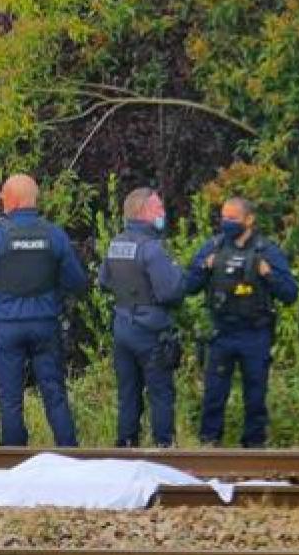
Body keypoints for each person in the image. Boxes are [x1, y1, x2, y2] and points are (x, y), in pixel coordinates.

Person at [0, 173, 88, 446]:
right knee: (54, 392)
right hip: (45, 325)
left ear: (12, 200)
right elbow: (77, 281)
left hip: (6, 327)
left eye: (4, 195)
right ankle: (69, 453)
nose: (1, 199)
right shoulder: (54, 235)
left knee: (10, 397)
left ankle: (14, 455)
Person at [184, 197, 298, 448]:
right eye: (224, 217)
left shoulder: (266, 251)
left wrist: (268, 274)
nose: (227, 223)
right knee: (214, 395)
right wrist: (205, 267)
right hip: (222, 332)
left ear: (249, 220)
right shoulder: (213, 247)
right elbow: (188, 286)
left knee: (255, 397)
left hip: (255, 333)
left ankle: (254, 448)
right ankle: (209, 445)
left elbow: (290, 293)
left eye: (233, 218)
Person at [99, 187, 185, 447]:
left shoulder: (116, 244)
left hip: (123, 328)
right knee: (160, 393)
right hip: (151, 331)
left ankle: (126, 446)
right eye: (158, 208)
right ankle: (164, 449)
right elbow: (171, 292)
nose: (162, 213)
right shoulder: (153, 249)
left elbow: (104, 281)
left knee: (128, 393)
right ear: (143, 212)